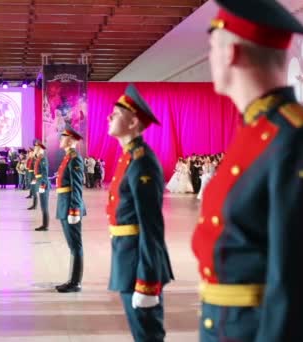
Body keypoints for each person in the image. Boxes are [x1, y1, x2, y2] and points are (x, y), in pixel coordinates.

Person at [193, 1, 303, 341]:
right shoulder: (256, 131)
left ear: (231, 53)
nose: (209, 58)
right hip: (226, 324)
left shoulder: (297, 139)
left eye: (211, 48)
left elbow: (297, 280)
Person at [107, 84, 174, 341]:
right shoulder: (128, 158)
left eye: (116, 113)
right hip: (127, 256)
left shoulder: (142, 162)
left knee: (147, 334)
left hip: (139, 263)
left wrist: (147, 281)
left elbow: (151, 227)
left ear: (133, 122)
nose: (109, 117)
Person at [55, 126, 86, 293]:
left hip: (70, 206)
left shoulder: (75, 159)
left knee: (75, 245)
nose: (60, 139)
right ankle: (72, 279)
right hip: (64, 203)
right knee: (72, 245)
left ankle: (75, 282)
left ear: (71, 139)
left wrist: (74, 210)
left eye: (63, 136)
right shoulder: (68, 157)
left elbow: (77, 187)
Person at [33, 141, 50, 231]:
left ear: (40, 149)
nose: (35, 149)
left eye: (36, 148)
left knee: (44, 205)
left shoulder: (43, 159)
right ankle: (44, 224)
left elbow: (44, 173)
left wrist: (42, 185)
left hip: (43, 184)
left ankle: (45, 225)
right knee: (43, 205)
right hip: (39, 182)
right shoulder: (39, 158)